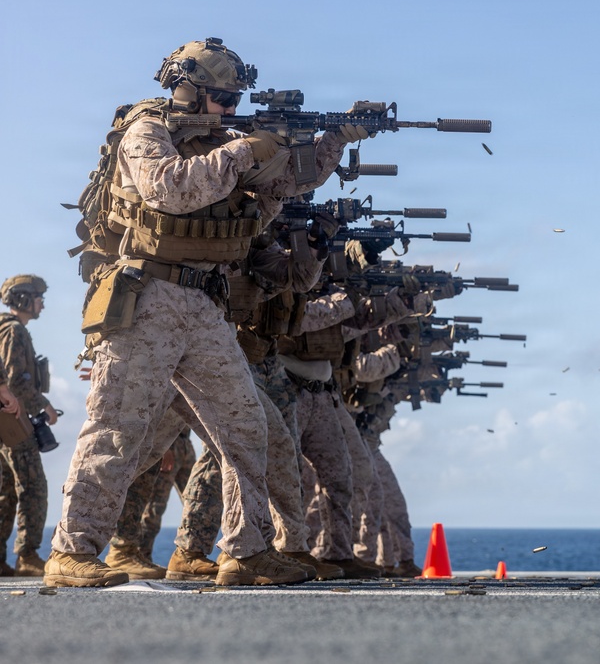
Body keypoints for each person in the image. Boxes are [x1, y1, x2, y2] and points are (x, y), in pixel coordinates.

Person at [45, 37, 369, 588]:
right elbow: (168, 189)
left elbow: (293, 181)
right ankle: (72, 551)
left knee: (249, 426)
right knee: (117, 427)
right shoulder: (146, 128)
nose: (230, 110)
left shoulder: (222, 139)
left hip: (204, 301)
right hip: (147, 293)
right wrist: (248, 149)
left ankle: (246, 552)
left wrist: (333, 139)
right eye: (221, 98)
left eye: (234, 100)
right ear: (186, 86)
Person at [0, 274, 58, 577]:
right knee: (34, 487)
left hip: (5, 424)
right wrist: (44, 407)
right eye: (38, 298)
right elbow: (14, 381)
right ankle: (28, 555)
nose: (42, 305)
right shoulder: (15, 333)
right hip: (14, 422)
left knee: (6, 491)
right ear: (23, 299)